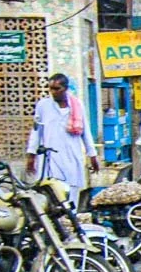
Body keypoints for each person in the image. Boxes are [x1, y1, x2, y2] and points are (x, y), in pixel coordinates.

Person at [25, 73, 98, 209]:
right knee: (50, 193)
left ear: (65, 88)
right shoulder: (43, 106)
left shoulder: (76, 105)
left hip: (71, 156)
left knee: (72, 192)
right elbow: (36, 132)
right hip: (50, 158)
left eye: (56, 88)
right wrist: (31, 156)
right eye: (51, 88)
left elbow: (85, 132)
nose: (53, 92)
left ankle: (72, 221)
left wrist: (92, 155)